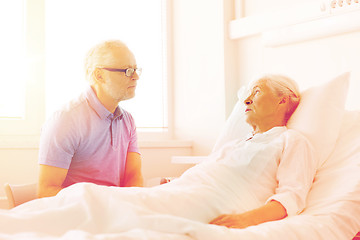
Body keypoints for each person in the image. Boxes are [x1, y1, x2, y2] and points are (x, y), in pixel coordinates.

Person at [0, 74, 317, 236]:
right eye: (245, 95)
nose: (246, 100)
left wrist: (242, 221)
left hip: (210, 205)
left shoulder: (292, 142)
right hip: (180, 192)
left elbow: (291, 198)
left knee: (95, 203)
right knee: (87, 198)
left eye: (256, 92)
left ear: (285, 100)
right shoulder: (237, 145)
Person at [37, 40, 144, 198]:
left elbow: (133, 177)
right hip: (79, 215)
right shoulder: (66, 120)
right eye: (127, 70)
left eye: (135, 69)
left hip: (116, 212)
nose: (135, 77)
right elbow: (46, 192)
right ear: (99, 75)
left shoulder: (128, 121)